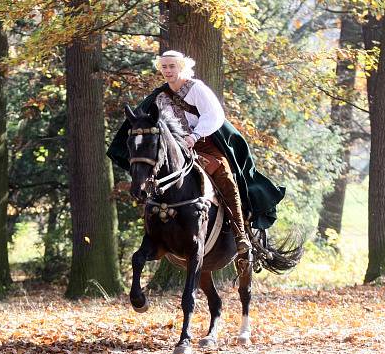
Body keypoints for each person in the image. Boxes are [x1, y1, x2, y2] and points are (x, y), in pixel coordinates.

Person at [107, 50, 285, 254]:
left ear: (182, 67)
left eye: (172, 66)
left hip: (206, 144)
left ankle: (240, 234)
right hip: (177, 149)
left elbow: (215, 115)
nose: (167, 70)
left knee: (225, 177)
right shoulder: (159, 96)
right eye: (164, 67)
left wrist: (195, 135)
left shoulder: (197, 89)